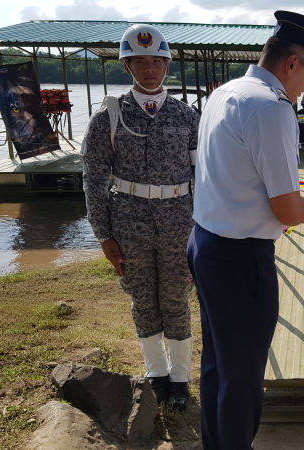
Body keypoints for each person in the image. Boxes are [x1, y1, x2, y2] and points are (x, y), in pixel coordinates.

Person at [188, 10, 304, 450]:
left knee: (217, 363)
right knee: (245, 374)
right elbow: (287, 209)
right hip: (240, 257)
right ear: (292, 63)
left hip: (206, 244)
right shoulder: (272, 108)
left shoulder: (225, 92)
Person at [82, 24, 200, 411]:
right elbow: (94, 180)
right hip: (128, 223)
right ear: (127, 66)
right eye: (139, 61)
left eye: (156, 61)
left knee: (176, 299)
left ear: (167, 64)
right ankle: (156, 373)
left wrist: (204, 229)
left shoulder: (189, 117)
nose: (149, 68)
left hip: (179, 222)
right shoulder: (108, 118)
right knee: (142, 300)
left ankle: (180, 378)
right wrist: (103, 234)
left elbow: (205, 178)